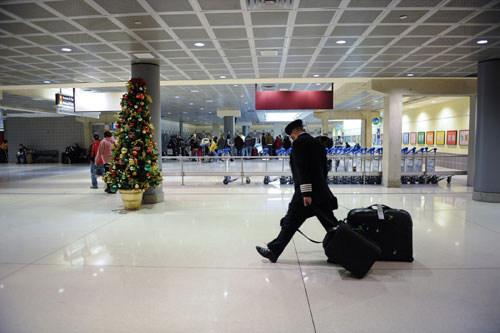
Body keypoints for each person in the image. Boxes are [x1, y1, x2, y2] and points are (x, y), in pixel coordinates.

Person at [256, 119, 338, 263]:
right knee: (331, 225)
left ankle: (274, 251)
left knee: (291, 221)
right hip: (321, 192)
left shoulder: (299, 143)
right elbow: (324, 168)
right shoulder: (317, 143)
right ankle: (343, 251)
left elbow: (301, 169)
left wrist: (306, 193)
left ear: (293, 134)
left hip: (306, 194)